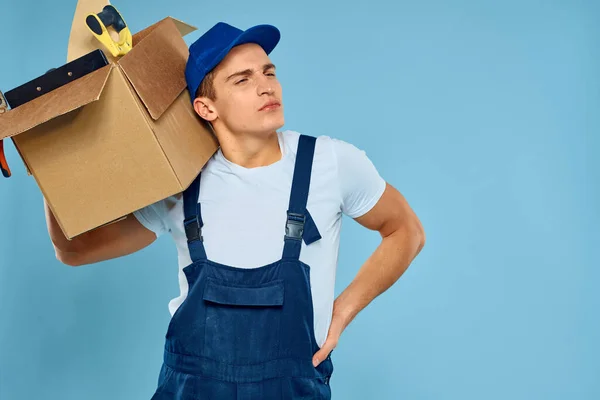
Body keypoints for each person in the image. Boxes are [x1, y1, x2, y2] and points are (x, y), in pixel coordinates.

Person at [45, 21, 425, 399]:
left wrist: (341, 313)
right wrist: (48, 162)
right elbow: (74, 250)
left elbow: (405, 230)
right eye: (242, 80)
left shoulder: (330, 162)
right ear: (206, 107)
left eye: (269, 72)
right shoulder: (180, 184)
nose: (267, 86)